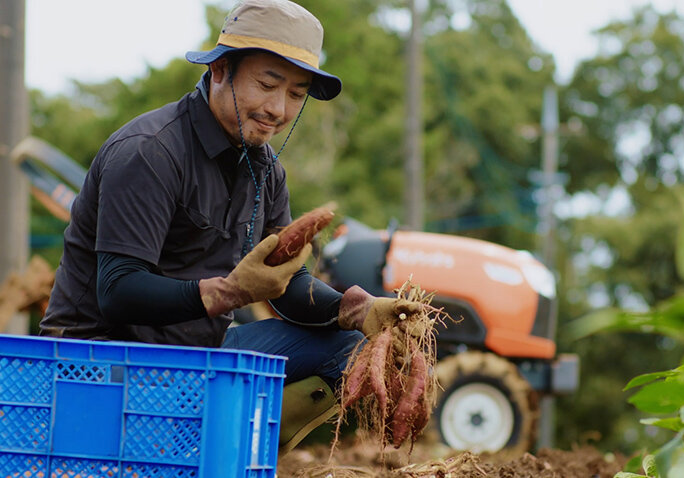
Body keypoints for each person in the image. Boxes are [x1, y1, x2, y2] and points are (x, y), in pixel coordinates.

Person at [39, 0, 418, 453]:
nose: (279, 108)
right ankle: (210, 444)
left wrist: (357, 310)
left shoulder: (266, 171)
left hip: (199, 359)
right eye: (267, 83)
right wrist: (229, 292)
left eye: (296, 94)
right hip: (101, 366)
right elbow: (117, 291)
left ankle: (236, 448)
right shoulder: (150, 153)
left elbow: (288, 287)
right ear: (220, 69)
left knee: (349, 344)